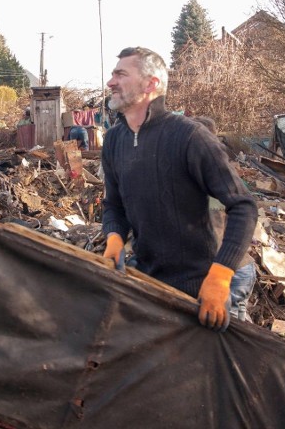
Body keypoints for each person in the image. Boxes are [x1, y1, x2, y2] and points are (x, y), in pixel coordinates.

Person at [100, 47, 258, 331]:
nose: (111, 82)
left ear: (151, 84)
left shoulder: (189, 136)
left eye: (121, 74)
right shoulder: (113, 141)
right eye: (113, 74)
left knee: (218, 368)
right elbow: (114, 204)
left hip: (209, 279)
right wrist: (114, 236)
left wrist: (221, 275)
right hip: (155, 277)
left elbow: (243, 206)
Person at [194, 115, 257, 322]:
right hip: (241, 268)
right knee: (236, 331)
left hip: (225, 272)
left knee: (227, 334)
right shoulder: (226, 175)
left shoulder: (203, 178)